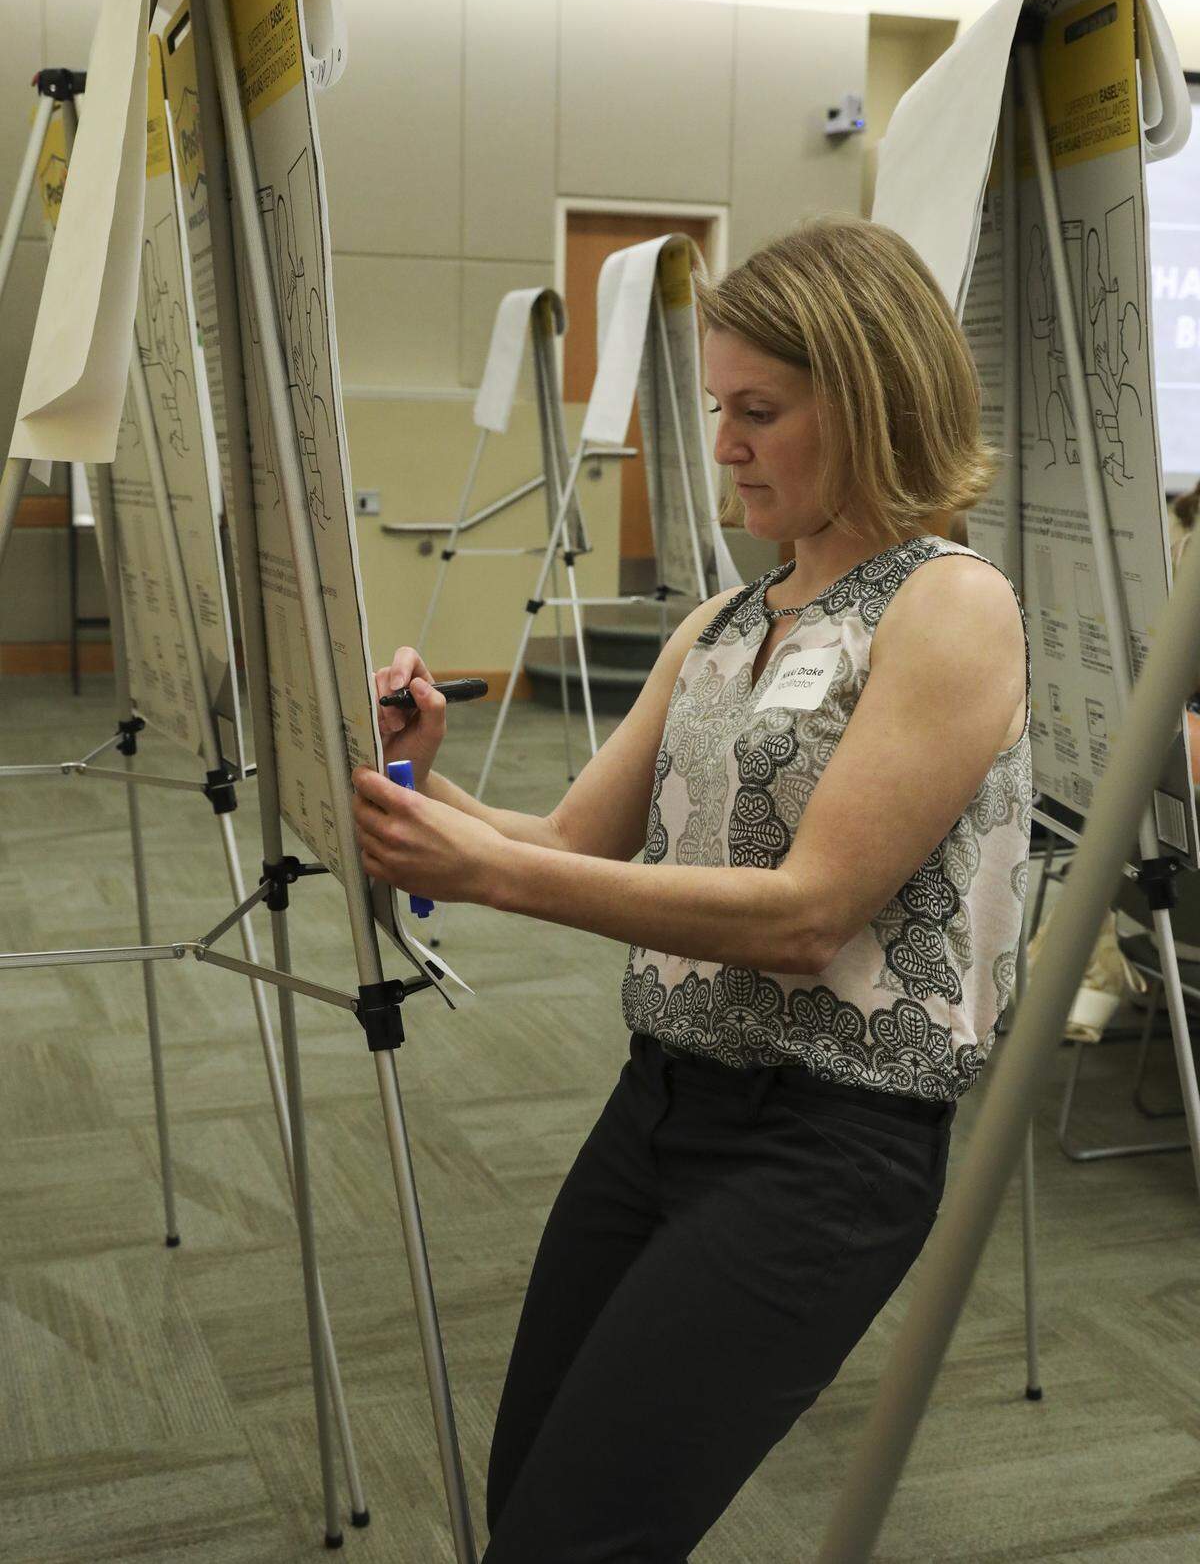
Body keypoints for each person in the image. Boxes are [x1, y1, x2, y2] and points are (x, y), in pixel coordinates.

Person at [351, 216, 1032, 1563]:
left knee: (578, 1538)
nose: (723, 446)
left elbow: (809, 912)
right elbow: (565, 838)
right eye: (720, 407)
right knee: (533, 1510)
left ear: (877, 397)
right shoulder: (722, 624)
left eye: (761, 412)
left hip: (827, 1144)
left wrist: (488, 868)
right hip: (657, 1106)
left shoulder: (950, 607)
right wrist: (435, 788)